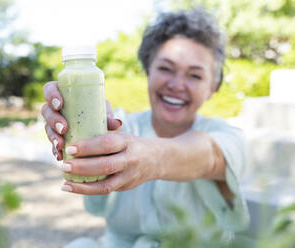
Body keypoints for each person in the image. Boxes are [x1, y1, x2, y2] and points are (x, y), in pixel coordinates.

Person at [42, 8, 249, 248]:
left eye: (194, 75)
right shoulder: (122, 127)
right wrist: (81, 124)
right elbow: (99, 144)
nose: (176, 85)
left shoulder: (230, 137)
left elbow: (210, 156)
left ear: (212, 88)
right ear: (148, 70)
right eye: (165, 68)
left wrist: (153, 158)